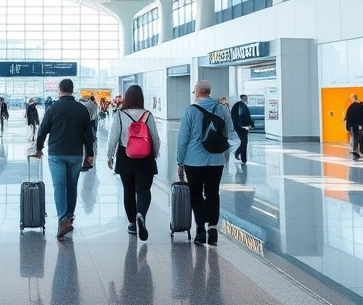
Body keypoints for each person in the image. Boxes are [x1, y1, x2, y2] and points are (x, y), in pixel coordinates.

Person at [176, 80, 238, 246]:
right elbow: (228, 134)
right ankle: (213, 229)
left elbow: (182, 140)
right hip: (216, 160)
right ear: (209, 92)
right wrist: (225, 156)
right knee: (213, 193)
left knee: (196, 194)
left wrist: (180, 161)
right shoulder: (222, 109)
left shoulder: (190, 111)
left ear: (197, 92)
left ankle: (201, 230)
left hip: (193, 161)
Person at [35, 78, 95, 240]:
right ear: (72, 90)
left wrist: (39, 148)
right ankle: (69, 217)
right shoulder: (81, 109)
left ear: (59, 91)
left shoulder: (53, 108)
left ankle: (63, 220)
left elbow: (42, 131)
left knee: (60, 186)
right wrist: (90, 154)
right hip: (75, 154)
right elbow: (89, 135)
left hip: (56, 154)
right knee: (72, 186)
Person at [106, 84, 161, 241]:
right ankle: (141, 215)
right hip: (145, 157)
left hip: (126, 156)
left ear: (127, 98)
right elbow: (155, 138)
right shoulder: (148, 115)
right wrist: (154, 154)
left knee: (128, 191)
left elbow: (113, 137)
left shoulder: (120, 114)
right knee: (144, 190)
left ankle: (132, 223)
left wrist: (110, 156)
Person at [230, 94, 254, 165]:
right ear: (241, 98)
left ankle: (240, 155)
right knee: (244, 142)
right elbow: (242, 117)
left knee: (244, 142)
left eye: (246, 98)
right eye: (244, 98)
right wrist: (247, 125)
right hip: (241, 127)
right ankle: (241, 157)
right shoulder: (240, 106)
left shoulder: (241, 105)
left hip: (242, 127)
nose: (246, 99)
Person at [344, 94, 363, 160]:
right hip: (357, 125)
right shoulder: (360, 106)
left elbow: (348, 117)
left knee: (354, 137)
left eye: (350, 98)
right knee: (357, 138)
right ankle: (356, 150)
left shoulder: (351, 107)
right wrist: (362, 124)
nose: (350, 100)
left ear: (353, 98)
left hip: (352, 125)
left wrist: (347, 126)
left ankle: (354, 150)